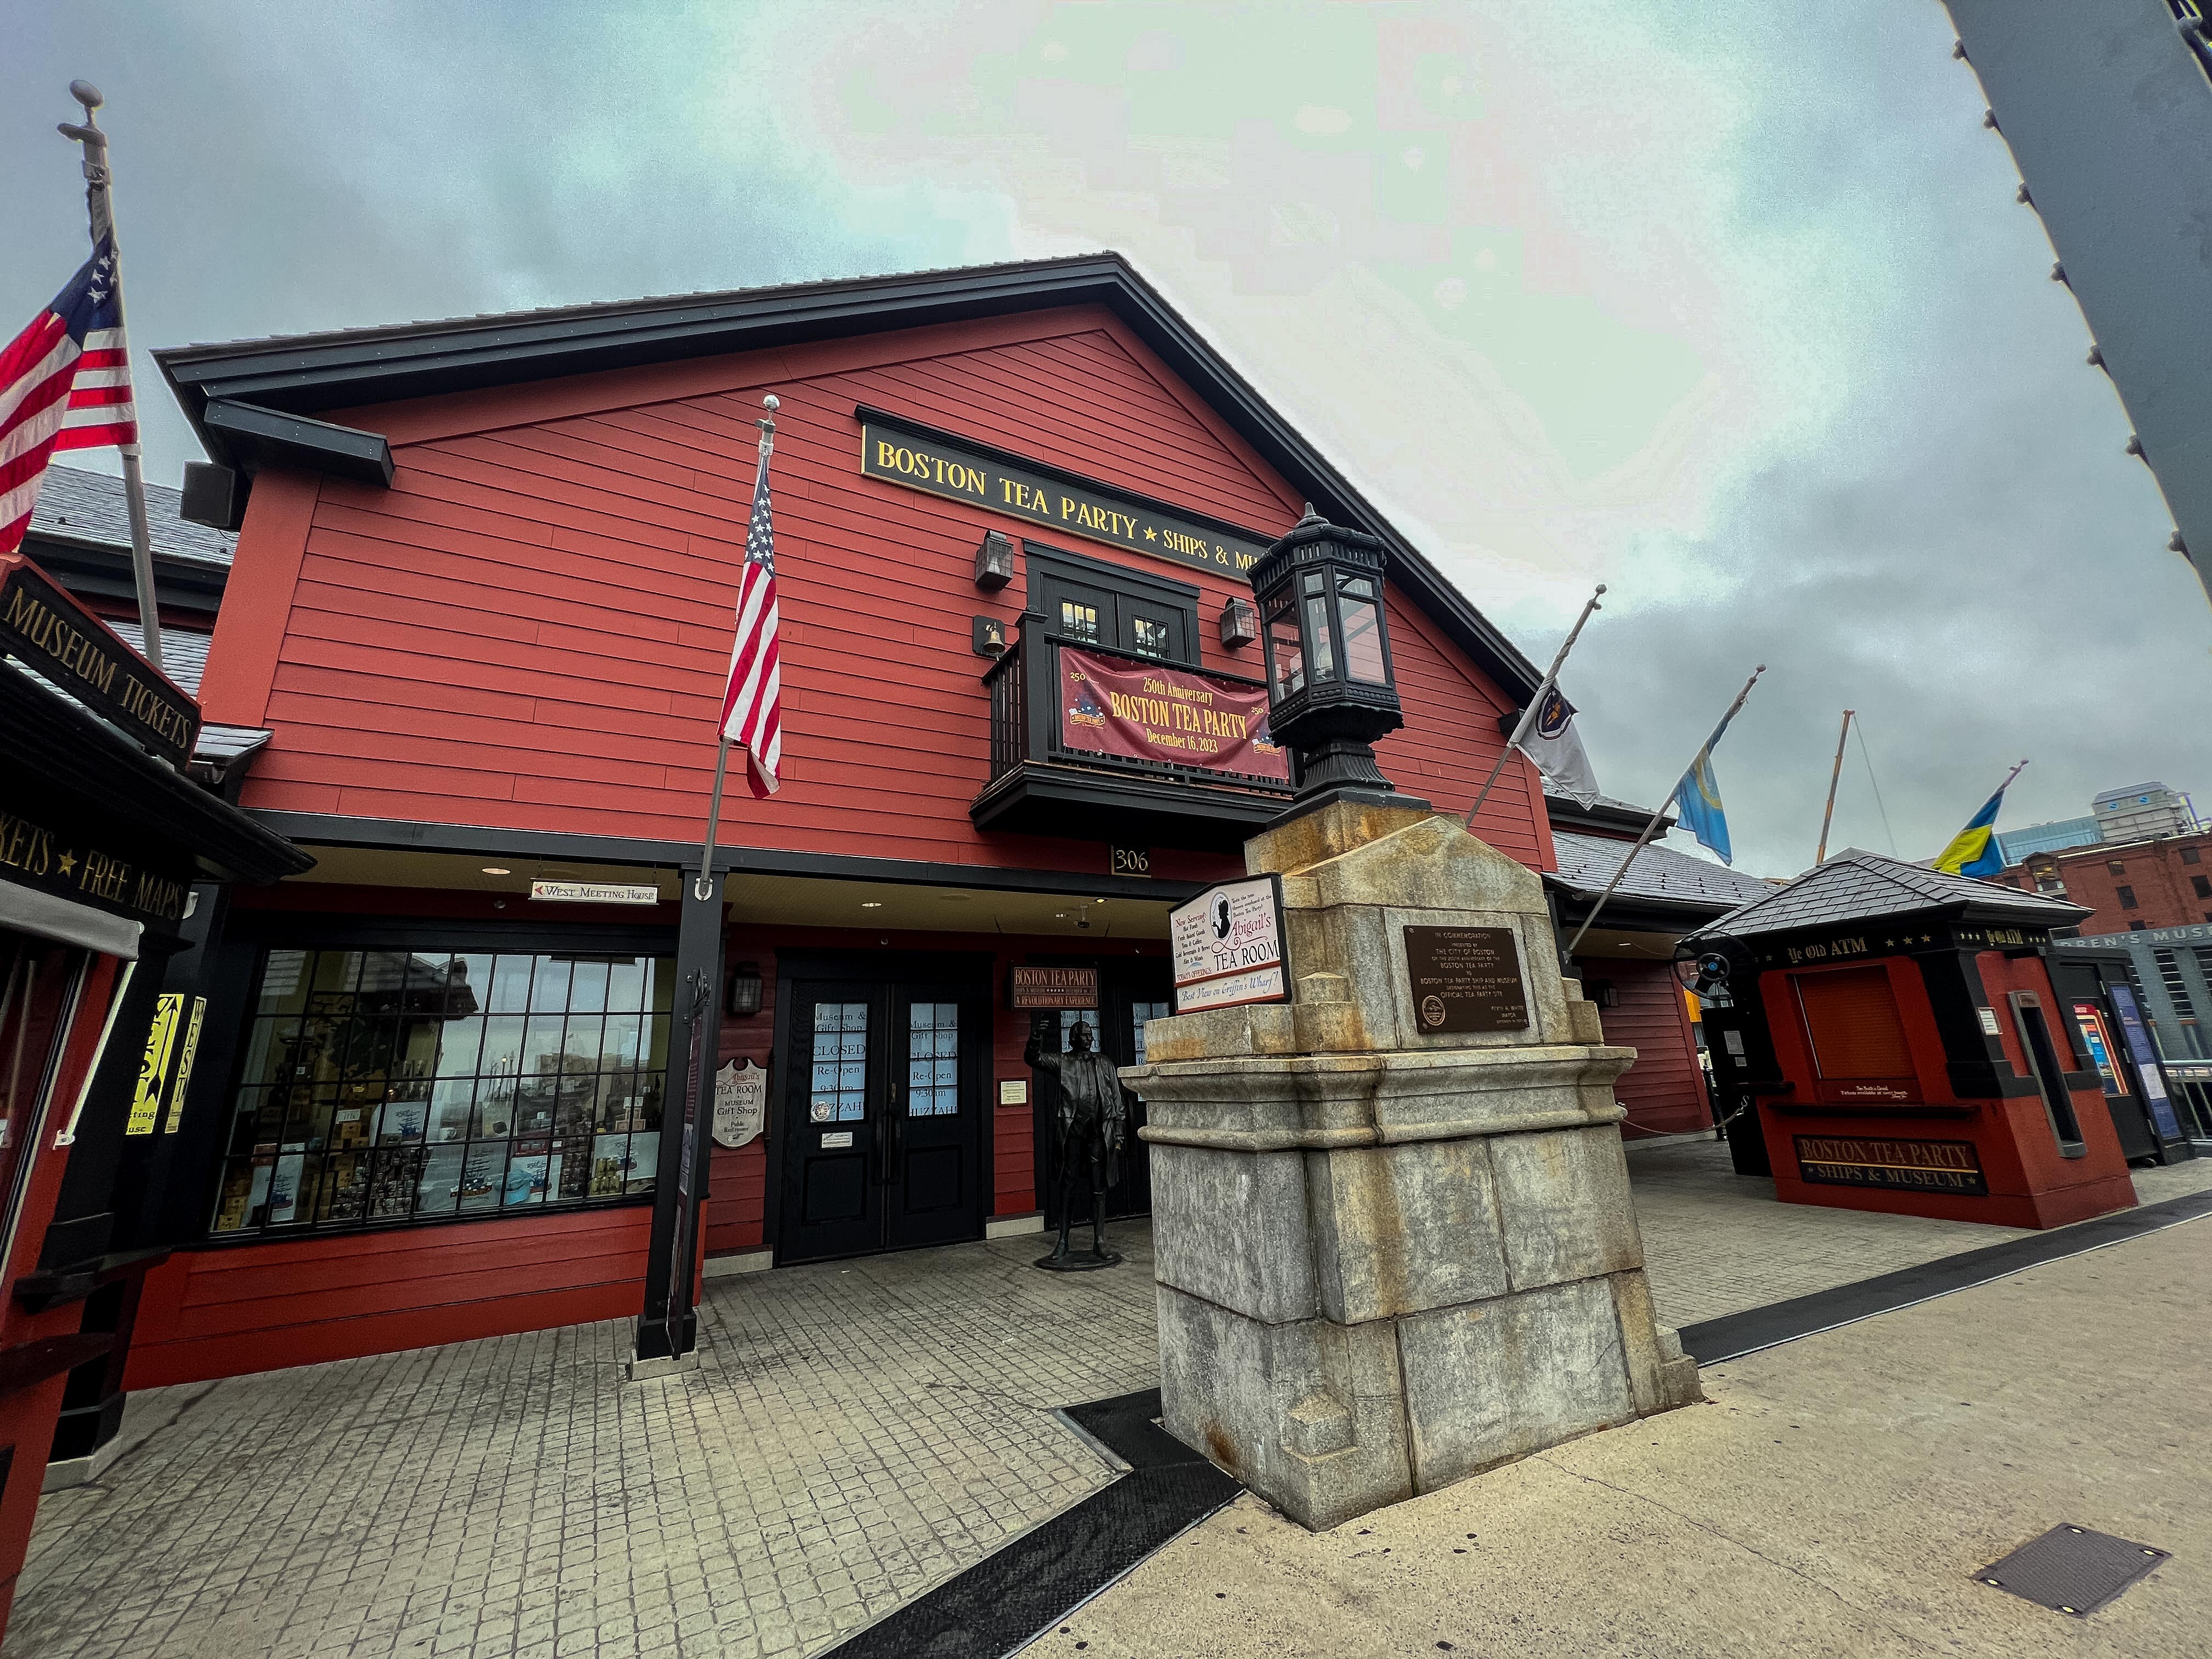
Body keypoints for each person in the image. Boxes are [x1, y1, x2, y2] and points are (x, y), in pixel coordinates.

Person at [1024, 1017, 1127, 1265]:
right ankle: (1063, 1241)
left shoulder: (1105, 1063)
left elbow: (1117, 1099)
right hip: (1071, 1132)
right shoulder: (1063, 1061)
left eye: (1090, 1034)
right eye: (1083, 1035)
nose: (1089, 1038)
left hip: (1098, 1134)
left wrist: (1120, 1133)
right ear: (1073, 1038)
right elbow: (1033, 1059)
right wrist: (1036, 1037)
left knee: (1098, 1186)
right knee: (1067, 1185)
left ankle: (1099, 1240)